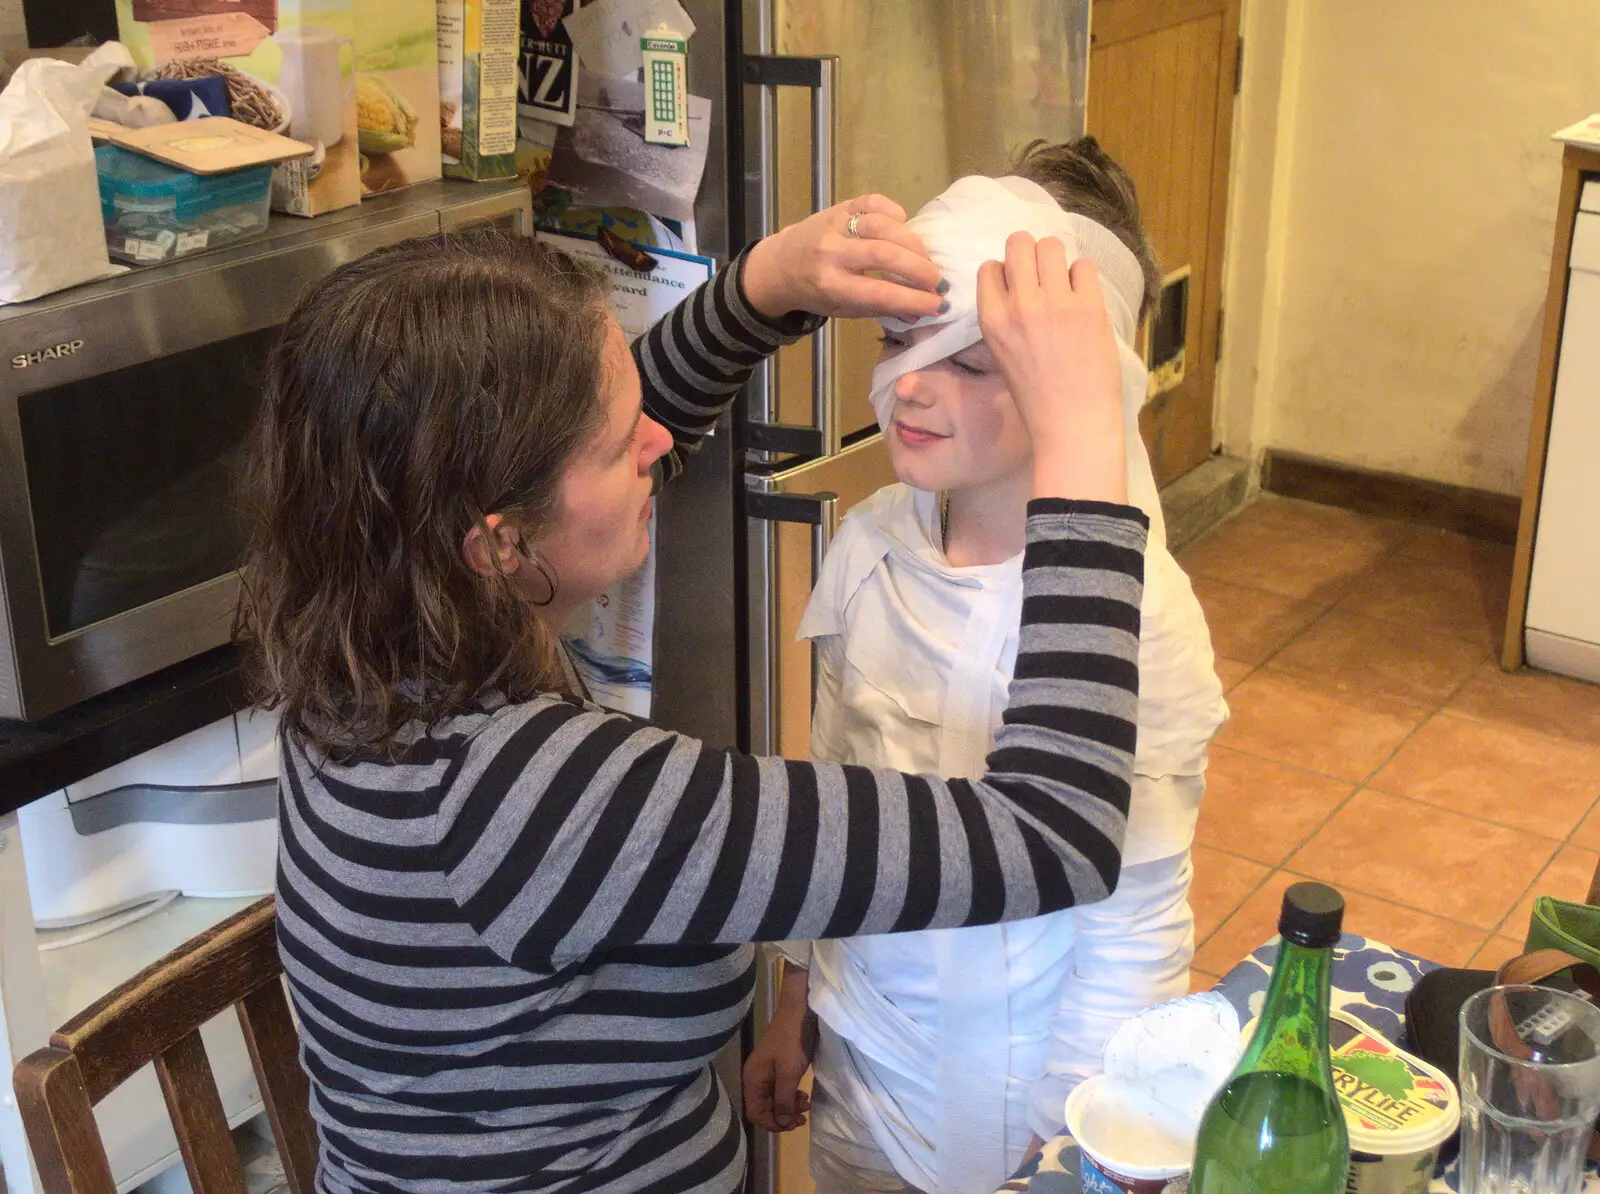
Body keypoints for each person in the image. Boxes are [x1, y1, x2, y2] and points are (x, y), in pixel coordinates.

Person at [239, 192, 1153, 1194]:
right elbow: (1054, 833)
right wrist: (1080, 446)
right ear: (500, 542)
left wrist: (765, 286)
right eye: (617, 438)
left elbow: (606, 450)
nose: (660, 444)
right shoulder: (547, 799)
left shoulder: (363, 640)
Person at [743, 139, 1229, 1194]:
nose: (911, 389)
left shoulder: (1135, 619)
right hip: (864, 1071)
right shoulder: (872, 546)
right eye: (900, 341)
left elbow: (1130, 935)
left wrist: (1071, 1152)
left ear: (1080, 379)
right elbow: (835, 800)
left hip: (1019, 1110)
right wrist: (797, 1000)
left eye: (972, 360)